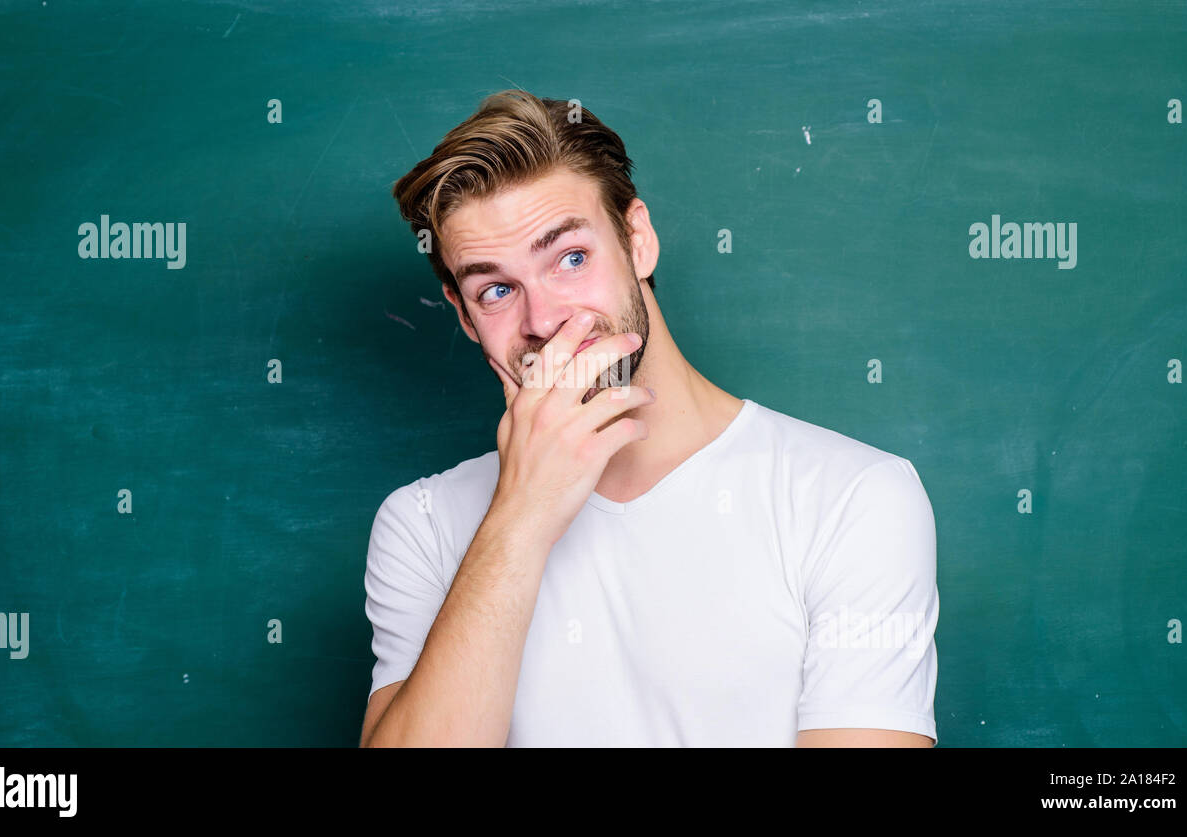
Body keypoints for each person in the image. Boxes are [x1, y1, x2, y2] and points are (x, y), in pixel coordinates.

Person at [361, 89, 938, 747]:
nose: (544, 319)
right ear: (466, 319)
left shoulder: (854, 498)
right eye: (496, 290)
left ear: (637, 241)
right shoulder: (423, 526)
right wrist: (519, 518)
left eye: (570, 258)